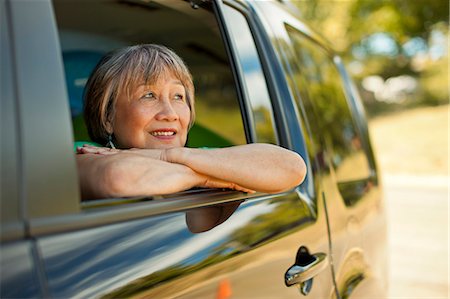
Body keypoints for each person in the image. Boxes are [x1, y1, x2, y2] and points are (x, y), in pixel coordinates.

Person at [76, 44, 306, 201]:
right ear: (107, 117)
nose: (170, 113)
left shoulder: (193, 157)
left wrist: (170, 157)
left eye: (178, 96)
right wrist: (209, 176)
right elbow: (118, 179)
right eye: (148, 95)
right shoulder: (85, 154)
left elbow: (292, 167)